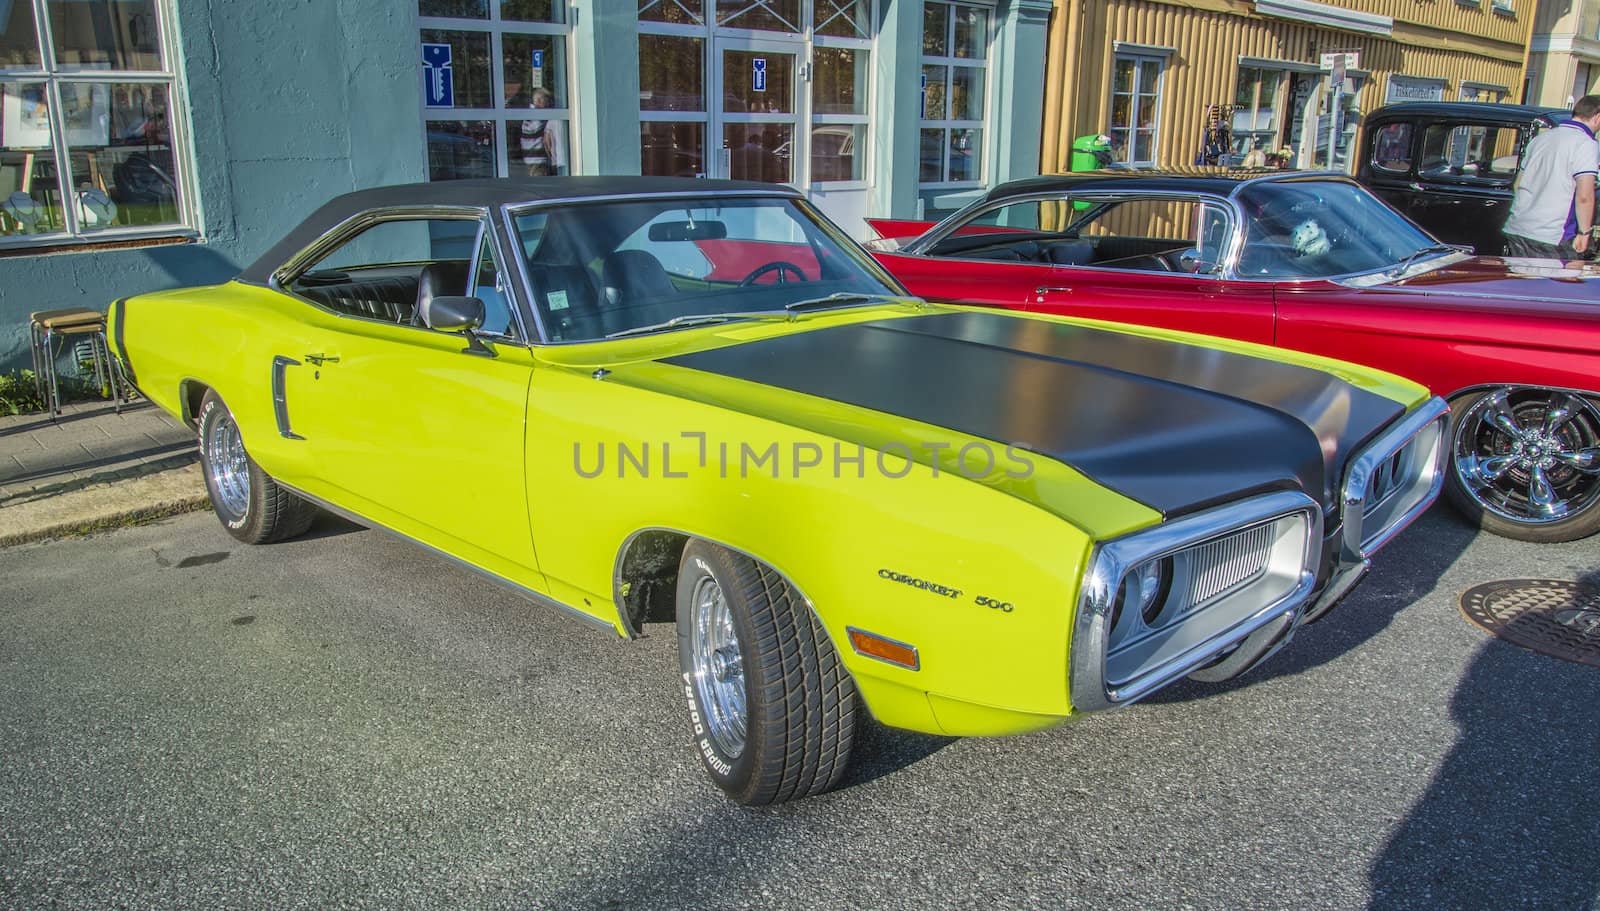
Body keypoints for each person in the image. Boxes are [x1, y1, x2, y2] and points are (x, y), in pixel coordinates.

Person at [1502, 95, 1600, 260]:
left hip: (1518, 227)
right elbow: (1584, 195)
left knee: (1522, 284)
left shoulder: (1541, 139)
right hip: (1552, 234)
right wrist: (1584, 232)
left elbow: (1518, 184)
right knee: (1558, 284)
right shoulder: (1586, 144)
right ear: (1597, 117)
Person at [519, 88, 567, 177]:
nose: (548, 104)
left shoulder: (529, 114)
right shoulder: (536, 116)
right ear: (539, 101)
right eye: (547, 101)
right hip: (538, 160)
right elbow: (541, 128)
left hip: (531, 159)